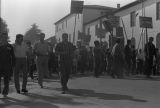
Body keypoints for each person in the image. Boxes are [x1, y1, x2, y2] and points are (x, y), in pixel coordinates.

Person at [0, 33, 15, 97]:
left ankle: (5, 92)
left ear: (7, 38)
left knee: (6, 80)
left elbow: (13, 56)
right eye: (3, 37)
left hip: (7, 65)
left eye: (6, 37)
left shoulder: (10, 46)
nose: (4, 38)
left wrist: (14, 65)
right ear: (1, 37)